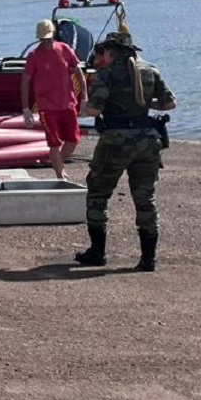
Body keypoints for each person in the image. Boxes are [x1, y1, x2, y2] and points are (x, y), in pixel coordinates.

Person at [79, 28, 177, 271]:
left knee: (98, 194)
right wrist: (141, 103)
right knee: (146, 198)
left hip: (115, 141)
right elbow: (170, 103)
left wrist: (81, 107)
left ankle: (98, 252)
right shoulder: (151, 71)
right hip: (147, 140)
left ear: (111, 51)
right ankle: (147, 259)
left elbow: (93, 110)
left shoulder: (106, 74)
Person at [20, 18, 87, 181]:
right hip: (46, 106)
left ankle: (57, 162)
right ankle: (59, 175)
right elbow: (25, 82)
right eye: (43, 39)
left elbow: (78, 73)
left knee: (72, 142)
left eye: (48, 39)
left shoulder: (65, 49)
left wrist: (84, 96)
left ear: (54, 35)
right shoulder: (34, 56)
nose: (46, 42)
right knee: (54, 143)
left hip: (67, 103)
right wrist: (26, 109)